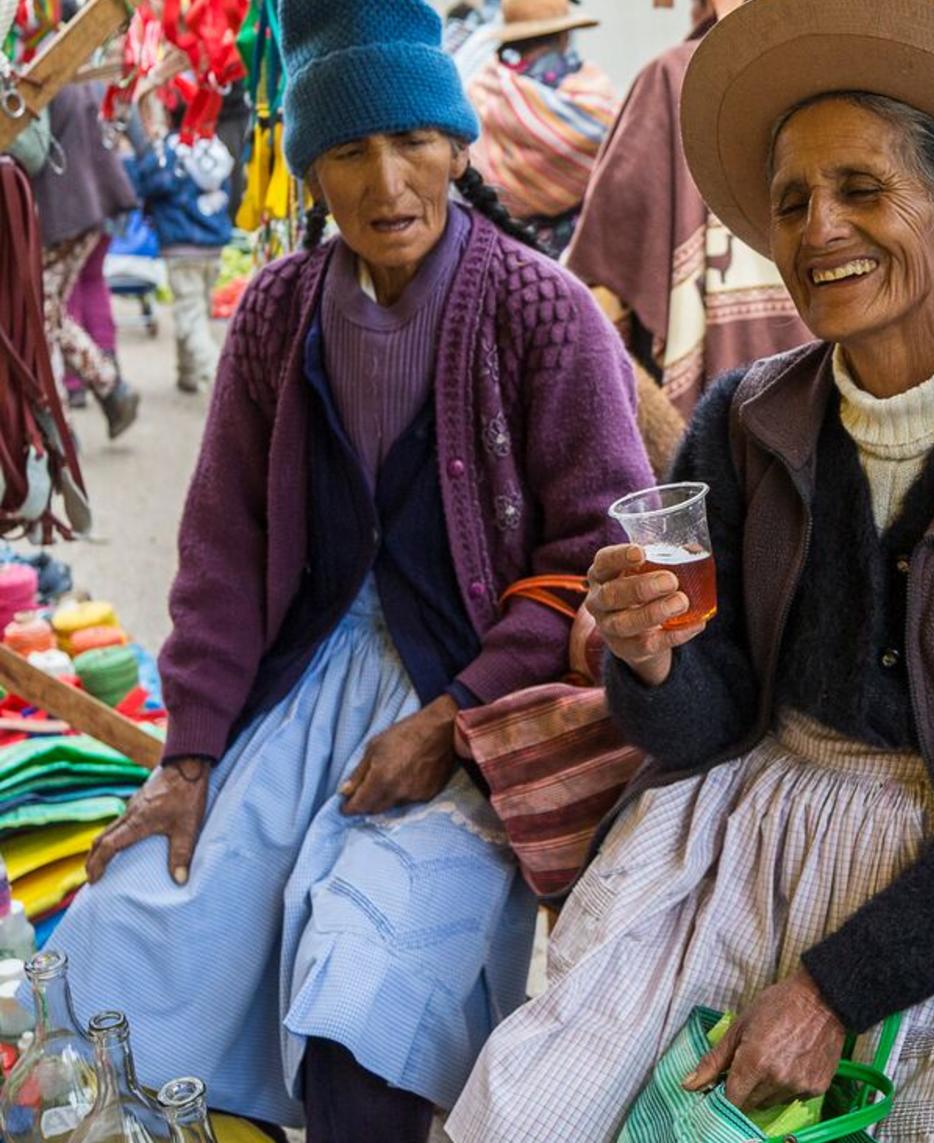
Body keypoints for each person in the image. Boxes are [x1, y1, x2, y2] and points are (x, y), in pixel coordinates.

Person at [450, 1, 934, 1140]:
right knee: (540, 1107)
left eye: (862, 191)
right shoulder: (742, 416)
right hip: (743, 832)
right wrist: (649, 660)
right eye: (791, 201)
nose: (818, 226)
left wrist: (831, 991)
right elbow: (706, 721)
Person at [47, 1, 653, 1140]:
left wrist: (451, 721)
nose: (386, 182)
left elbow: (598, 554)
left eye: (413, 141)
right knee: (136, 932)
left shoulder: (544, 314)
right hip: (303, 693)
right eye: (347, 152)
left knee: (362, 1012)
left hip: (474, 708)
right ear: (306, 171)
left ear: (459, 144)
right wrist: (187, 758)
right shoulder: (280, 314)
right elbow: (223, 547)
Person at [564, 0, 811, 477]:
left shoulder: (673, 81)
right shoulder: (836, 72)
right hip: (831, 399)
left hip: (719, 425)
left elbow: (601, 296)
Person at [30, 81, 141, 437]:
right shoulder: (67, 75)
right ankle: (111, 389)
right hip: (83, 209)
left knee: (41, 319)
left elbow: (30, 152)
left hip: (66, 212)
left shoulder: (47, 76)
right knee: (49, 313)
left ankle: (60, 430)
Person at [465, 0, 619, 255]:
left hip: (514, 248)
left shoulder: (485, 89)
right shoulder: (591, 91)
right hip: (586, 249)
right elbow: (617, 143)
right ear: (564, 36)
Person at [124, 109, 235, 393]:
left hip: (181, 244)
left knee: (190, 317)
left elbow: (147, 183)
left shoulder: (171, 150)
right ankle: (186, 374)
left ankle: (221, 383)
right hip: (214, 244)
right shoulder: (211, 144)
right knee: (196, 309)